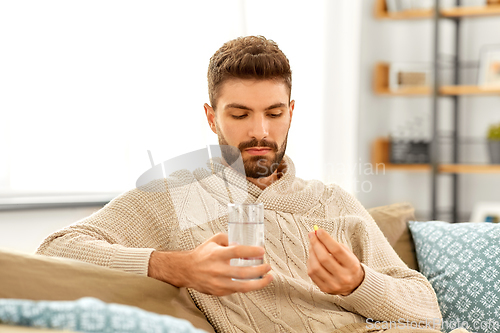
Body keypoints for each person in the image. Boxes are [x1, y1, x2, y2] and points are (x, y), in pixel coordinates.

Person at [37, 35, 445, 333]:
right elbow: (55, 249)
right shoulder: (179, 195)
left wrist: (359, 283)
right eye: (239, 115)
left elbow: (427, 309)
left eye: (273, 112)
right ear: (212, 117)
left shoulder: (331, 201)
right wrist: (178, 267)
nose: (260, 132)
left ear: (291, 113)